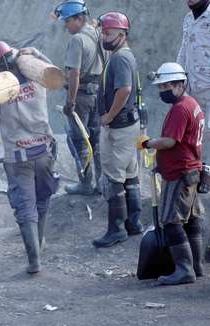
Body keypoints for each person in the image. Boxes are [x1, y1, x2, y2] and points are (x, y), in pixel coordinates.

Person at [0, 41, 59, 274]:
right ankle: (39, 244)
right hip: (44, 150)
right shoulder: (37, 76)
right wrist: (35, 52)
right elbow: (55, 73)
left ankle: (34, 260)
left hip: (17, 156)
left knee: (25, 207)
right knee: (42, 199)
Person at [138, 62, 205, 285]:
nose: (162, 91)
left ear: (180, 84)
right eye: (160, 87)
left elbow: (169, 141)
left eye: (166, 86)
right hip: (191, 170)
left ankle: (185, 270)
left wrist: (148, 143)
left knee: (171, 221)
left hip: (180, 173)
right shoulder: (192, 104)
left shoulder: (180, 109)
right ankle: (196, 266)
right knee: (191, 220)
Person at [91, 12, 144, 248]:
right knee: (130, 174)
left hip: (119, 125)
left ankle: (117, 229)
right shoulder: (123, 54)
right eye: (103, 32)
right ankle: (134, 223)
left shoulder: (119, 59)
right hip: (129, 124)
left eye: (109, 33)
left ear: (122, 35)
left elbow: (124, 89)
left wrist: (109, 116)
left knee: (114, 176)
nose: (104, 36)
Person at [55, 0, 104, 195]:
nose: (66, 25)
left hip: (82, 96)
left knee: (79, 141)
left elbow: (74, 74)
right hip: (98, 94)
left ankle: (85, 184)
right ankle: (102, 184)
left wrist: (70, 101)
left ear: (79, 18)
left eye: (68, 21)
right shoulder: (97, 34)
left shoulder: (77, 40)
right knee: (98, 141)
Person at [177, 0, 210, 158]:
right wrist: (177, 76)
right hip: (192, 93)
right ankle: (195, 179)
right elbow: (184, 49)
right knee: (193, 140)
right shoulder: (189, 18)